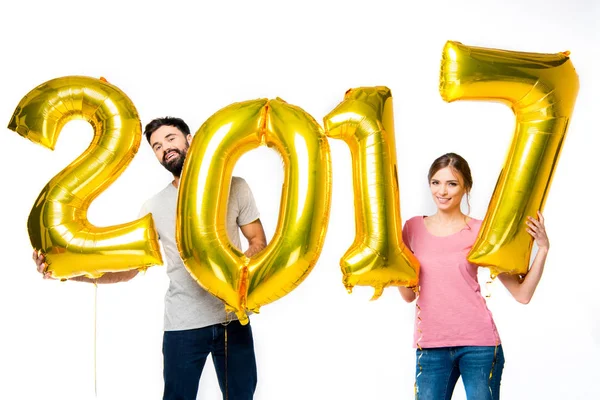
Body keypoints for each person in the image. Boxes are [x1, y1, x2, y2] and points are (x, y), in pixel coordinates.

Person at [34, 117, 267, 400]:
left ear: (190, 139)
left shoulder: (235, 186)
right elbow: (129, 270)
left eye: (170, 138)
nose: (164, 148)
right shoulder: (154, 207)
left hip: (234, 321)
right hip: (183, 325)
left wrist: (232, 274)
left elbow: (257, 242)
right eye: (157, 146)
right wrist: (68, 273)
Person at [398, 152, 549, 400]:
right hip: (431, 346)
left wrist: (542, 249)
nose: (442, 191)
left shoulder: (481, 232)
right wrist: (393, 257)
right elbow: (407, 295)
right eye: (436, 182)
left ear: (466, 187)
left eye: (452, 183)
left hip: (479, 345)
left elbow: (522, 294)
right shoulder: (412, 228)